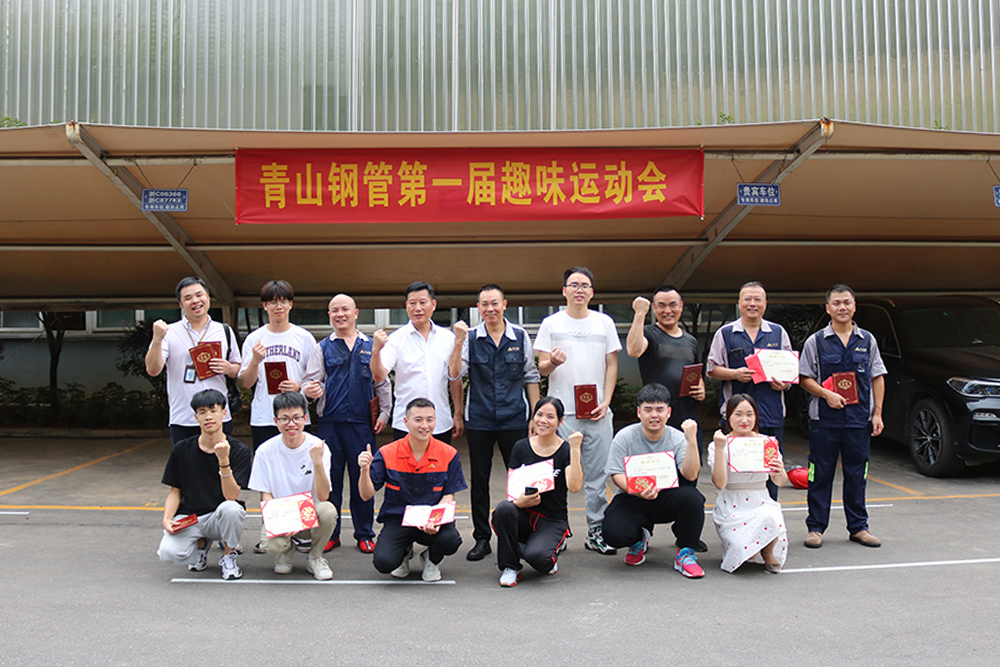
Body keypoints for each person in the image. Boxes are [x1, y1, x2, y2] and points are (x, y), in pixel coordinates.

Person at [448, 283, 541, 562]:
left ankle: (520, 533)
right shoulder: (471, 338)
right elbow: (454, 374)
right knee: (480, 479)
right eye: (484, 304)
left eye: (495, 303)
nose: (490, 309)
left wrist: (535, 415)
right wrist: (458, 342)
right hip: (480, 419)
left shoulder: (520, 336)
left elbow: (531, 376)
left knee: (521, 478)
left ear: (504, 305)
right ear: (478, 307)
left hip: (515, 418)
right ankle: (482, 538)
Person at [534, 267, 621, 555]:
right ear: (564, 291)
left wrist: (606, 401)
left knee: (597, 476)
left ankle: (596, 530)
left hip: (597, 412)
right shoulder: (551, 323)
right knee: (557, 475)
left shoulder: (604, 322)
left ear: (592, 292)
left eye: (584, 285)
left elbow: (612, 365)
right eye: (573, 285)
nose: (579, 290)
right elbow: (541, 367)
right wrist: (554, 362)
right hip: (561, 415)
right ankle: (556, 531)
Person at [301, 293, 391, 554]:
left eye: (345, 309)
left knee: (363, 478)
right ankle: (331, 534)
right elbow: (310, 381)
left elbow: (382, 382)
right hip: (330, 423)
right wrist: (310, 391)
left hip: (362, 425)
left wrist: (385, 413)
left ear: (356, 313)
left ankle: (364, 533)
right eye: (334, 310)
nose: (340, 314)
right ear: (329, 315)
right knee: (330, 481)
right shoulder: (322, 347)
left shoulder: (371, 345)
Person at [799, 284, 887, 549]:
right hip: (824, 422)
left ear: (854, 306)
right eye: (836, 303)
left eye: (847, 302)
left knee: (857, 475)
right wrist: (826, 394)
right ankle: (816, 528)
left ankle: (859, 527)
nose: (842, 307)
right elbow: (804, 378)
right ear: (828, 308)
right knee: (819, 474)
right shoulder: (816, 341)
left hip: (859, 421)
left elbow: (877, 377)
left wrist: (877, 413)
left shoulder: (867, 340)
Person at [602, 383, 706, 578]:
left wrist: (692, 440)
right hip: (633, 496)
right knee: (612, 533)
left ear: (669, 412)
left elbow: (691, 474)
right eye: (648, 409)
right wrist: (638, 490)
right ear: (639, 412)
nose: (654, 415)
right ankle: (638, 538)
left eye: (660, 409)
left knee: (693, 499)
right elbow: (616, 474)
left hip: (667, 496)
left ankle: (686, 552)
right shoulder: (624, 437)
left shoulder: (677, 438)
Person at [358, 398, 467, 582]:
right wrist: (364, 470)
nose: (424, 426)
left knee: (450, 541)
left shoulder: (448, 454)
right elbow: (366, 494)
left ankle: (431, 559)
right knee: (384, 563)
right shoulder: (387, 453)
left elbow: (448, 495)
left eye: (430, 420)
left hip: (432, 520)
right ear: (406, 422)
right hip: (399, 519)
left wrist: (434, 520)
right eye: (418, 420)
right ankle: (404, 553)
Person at [707, 281, 793, 500]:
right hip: (736, 417)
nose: (752, 304)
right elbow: (712, 369)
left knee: (771, 468)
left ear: (765, 303)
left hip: (771, 413)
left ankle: (768, 510)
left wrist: (783, 384)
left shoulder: (778, 332)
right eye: (747, 299)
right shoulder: (726, 333)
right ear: (739, 303)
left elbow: (790, 372)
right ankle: (734, 509)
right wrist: (735, 374)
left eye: (757, 299)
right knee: (735, 468)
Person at [157, 389, 251, 581]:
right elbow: (175, 491)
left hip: (219, 517)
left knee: (232, 509)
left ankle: (228, 555)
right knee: (167, 553)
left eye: (213, 411)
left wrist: (223, 460)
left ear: (224, 413)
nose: (208, 416)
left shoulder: (239, 450)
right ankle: (201, 545)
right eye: (202, 412)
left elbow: (231, 496)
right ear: (196, 417)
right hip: (190, 517)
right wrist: (167, 519)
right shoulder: (182, 449)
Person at [491, 397, 583, 587]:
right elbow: (512, 489)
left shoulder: (565, 449)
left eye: (550, 416)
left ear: (560, 421)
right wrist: (519, 503)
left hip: (552, 519)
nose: (543, 420)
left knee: (539, 559)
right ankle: (510, 566)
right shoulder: (521, 447)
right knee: (504, 509)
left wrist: (575, 449)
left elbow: (574, 486)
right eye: (539, 415)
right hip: (524, 514)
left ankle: (543, 551)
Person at [248, 392, 338, 580]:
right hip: (282, 513)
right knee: (270, 546)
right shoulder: (265, 451)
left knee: (328, 511)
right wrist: (282, 521)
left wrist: (317, 463)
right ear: (275, 421)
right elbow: (265, 495)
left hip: (309, 512)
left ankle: (315, 557)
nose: (291, 424)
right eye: (285, 419)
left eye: (297, 418)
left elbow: (323, 496)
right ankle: (285, 551)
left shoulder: (318, 447)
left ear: (305, 419)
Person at [145, 276, 242, 444]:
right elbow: (153, 370)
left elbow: (238, 369)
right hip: (184, 418)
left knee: (221, 460)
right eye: (188, 298)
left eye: (199, 295)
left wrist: (229, 369)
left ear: (208, 297)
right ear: (181, 305)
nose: (195, 301)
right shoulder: (169, 332)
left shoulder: (224, 331)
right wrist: (157, 339)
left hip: (219, 418)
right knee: (185, 461)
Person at [371, 281, 464, 443]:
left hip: (440, 421)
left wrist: (457, 414)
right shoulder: (396, 339)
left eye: (422, 302)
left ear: (433, 305)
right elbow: (378, 376)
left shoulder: (448, 338)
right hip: (406, 424)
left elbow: (455, 378)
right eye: (412, 303)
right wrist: (376, 351)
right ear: (406, 306)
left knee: (440, 460)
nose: (417, 308)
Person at [709, 394, 788, 574]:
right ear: (728, 417)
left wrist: (779, 470)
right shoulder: (719, 444)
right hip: (732, 503)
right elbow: (720, 483)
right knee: (743, 552)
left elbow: (780, 481)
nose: (744, 420)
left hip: (760, 500)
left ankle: (768, 552)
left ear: (756, 416)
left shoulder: (767, 442)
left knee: (770, 515)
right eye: (738, 414)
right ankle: (748, 548)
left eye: (749, 414)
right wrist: (720, 449)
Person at [238, 280, 317, 450]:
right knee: (266, 462)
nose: (279, 306)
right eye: (273, 302)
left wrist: (297, 386)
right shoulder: (254, 339)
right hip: (264, 416)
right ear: (265, 306)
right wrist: (255, 360)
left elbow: (315, 378)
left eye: (283, 301)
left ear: (291, 304)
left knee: (300, 462)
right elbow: (246, 383)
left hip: (297, 416)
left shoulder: (305, 338)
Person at [626, 284, 705, 431]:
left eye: (672, 305)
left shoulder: (691, 341)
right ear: (654, 308)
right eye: (661, 306)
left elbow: (696, 372)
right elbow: (633, 351)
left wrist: (701, 388)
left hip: (688, 418)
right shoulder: (648, 334)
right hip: (658, 419)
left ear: (681, 306)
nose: (667, 311)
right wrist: (639, 314)